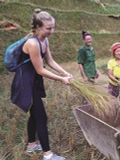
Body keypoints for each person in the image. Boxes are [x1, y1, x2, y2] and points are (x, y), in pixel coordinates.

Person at [12, 8, 72, 160]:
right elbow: (40, 70)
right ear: (38, 27)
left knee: (34, 114)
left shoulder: (44, 41)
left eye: (53, 27)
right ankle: (48, 155)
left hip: (34, 81)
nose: (51, 31)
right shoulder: (32, 43)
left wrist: (64, 72)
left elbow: (50, 61)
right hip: (26, 83)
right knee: (41, 117)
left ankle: (32, 145)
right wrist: (61, 79)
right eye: (48, 28)